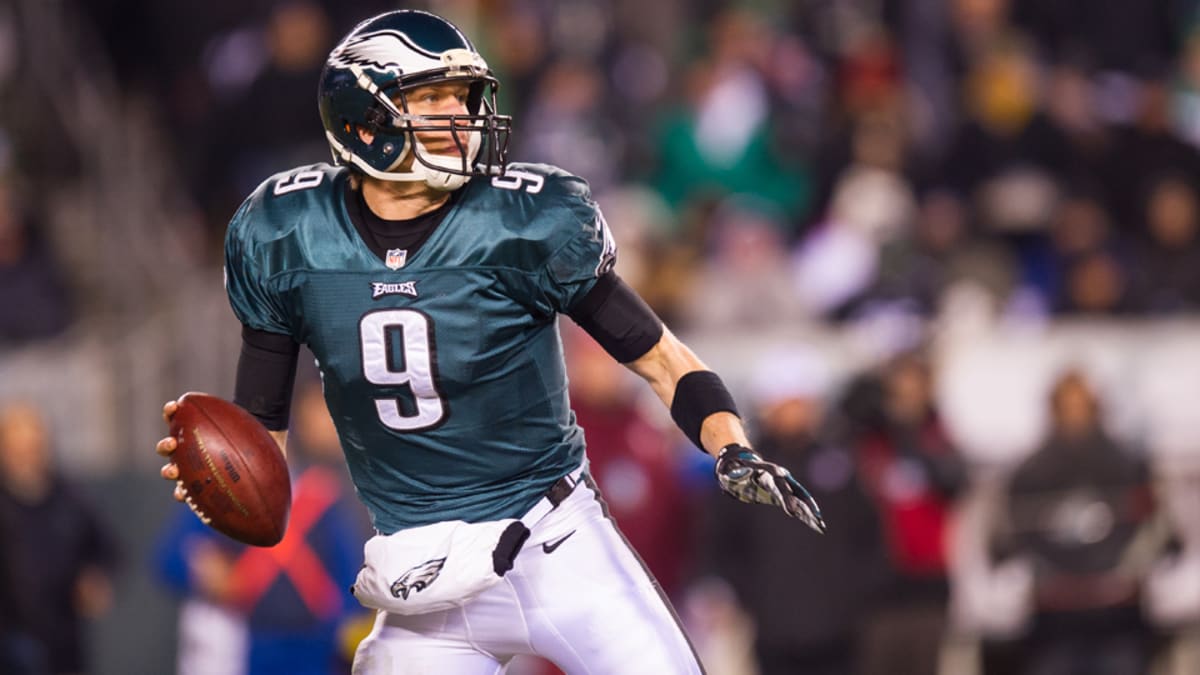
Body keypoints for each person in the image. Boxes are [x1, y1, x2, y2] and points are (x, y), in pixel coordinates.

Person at [153, 9, 824, 674]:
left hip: (557, 542)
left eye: (464, 96)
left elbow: (658, 356)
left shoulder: (518, 222)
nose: (460, 116)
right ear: (364, 119)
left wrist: (731, 445)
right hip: (420, 573)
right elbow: (262, 441)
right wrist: (225, 480)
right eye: (431, 98)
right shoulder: (290, 232)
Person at [0, 401, 119, 675]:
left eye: (34, 446)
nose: (27, 456)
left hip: (64, 638)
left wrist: (95, 577)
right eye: (18, 448)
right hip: (10, 639)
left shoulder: (70, 498)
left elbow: (105, 548)